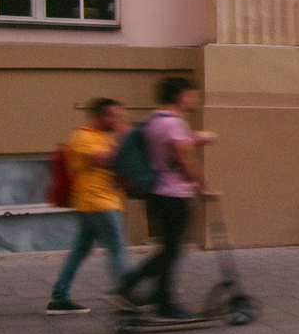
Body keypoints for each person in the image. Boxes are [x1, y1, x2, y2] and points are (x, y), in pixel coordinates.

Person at [117, 77, 214, 319]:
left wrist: (197, 138)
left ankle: (161, 297)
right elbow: (183, 160)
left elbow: (165, 151)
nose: (195, 100)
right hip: (173, 194)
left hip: (156, 193)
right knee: (172, 250)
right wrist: (203, 187)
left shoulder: (153, 120)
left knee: (169, 248)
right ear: (180, 95)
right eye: (192, 95)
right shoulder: (174, 123)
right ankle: (131, 285)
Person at [46, 97, 131, 314]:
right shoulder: (82, 136)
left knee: (80, 251)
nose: (116, 120)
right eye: (113, 116)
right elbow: (103, 159)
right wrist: (127, 138)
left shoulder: (101, 137)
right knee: (117, 249)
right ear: (100, 116)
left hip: (99, 203)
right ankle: (127, 296)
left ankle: (59, 298)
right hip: (97, 203)